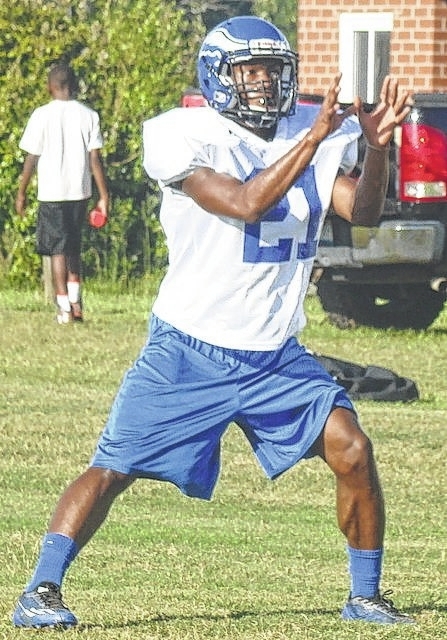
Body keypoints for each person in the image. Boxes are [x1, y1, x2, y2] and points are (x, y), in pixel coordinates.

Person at [12, 16, 415, 629]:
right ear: (218, 76)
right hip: (190, 347)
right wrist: (313, 141)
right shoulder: (187, 134)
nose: (263, 82)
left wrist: (377, 148)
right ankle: (41, 589)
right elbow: (245, 202)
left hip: (274, 353)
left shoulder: (309, 130)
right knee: (114, 467)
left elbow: (361, 213)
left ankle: (365, 595)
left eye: (273, 70)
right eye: (249, 70)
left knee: (352, 449)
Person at [16, 62, 108, 323]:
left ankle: (63, 306)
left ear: (50, 87)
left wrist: (22, 192)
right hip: (80, 191)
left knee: (57, 250)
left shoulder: (41, 115)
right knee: (73, 248)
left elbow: (31, 158)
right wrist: (104, 196)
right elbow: (95, 160)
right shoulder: (89, 115)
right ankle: (76, 304)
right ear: (74, 85)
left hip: (52, 192)